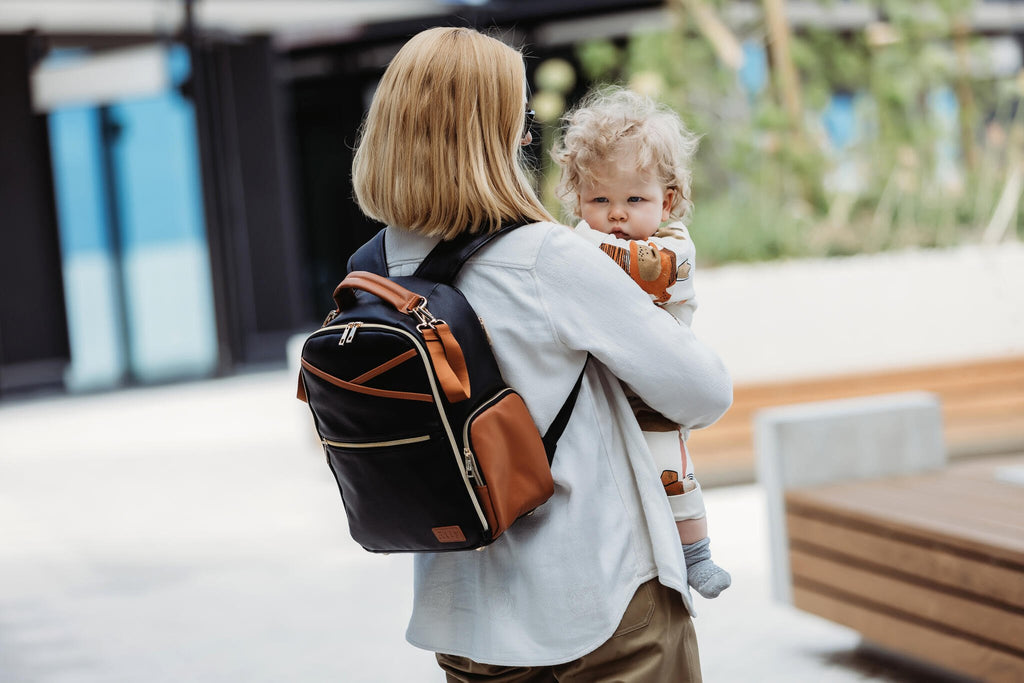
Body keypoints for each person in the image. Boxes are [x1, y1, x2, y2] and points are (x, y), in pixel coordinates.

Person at [350, 26, 732, 681]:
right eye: (519, 119)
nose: (528, 138)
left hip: (463, 616)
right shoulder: (549, 257)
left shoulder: (374, 268)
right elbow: (702, 391)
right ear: (487, 134)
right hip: (600, 606)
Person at [552, 87, 732, 600]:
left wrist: (578, 241)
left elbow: (636, 271)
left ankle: (697, 553)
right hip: (600, 388)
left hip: (656, 394)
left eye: (635, 199)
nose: (615, 215)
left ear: (666, 201)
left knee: (670, 470)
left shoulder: (673, 248)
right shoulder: (582, 241)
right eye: (598, 201)